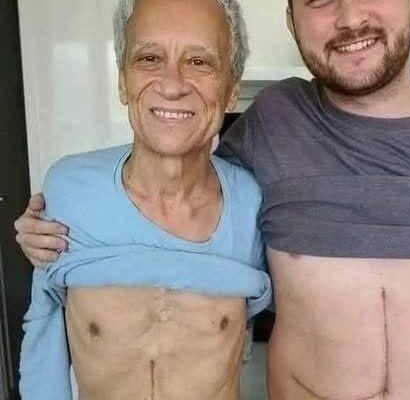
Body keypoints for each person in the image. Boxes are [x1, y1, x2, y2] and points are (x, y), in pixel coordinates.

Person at [16, 0, 410, 399]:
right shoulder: (274, 122)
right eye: (318, 0)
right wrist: (46, 224)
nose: (348, 16)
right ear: (291, 19)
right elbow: (178, 169)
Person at [16, 0, 271, 399]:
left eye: (199, 62)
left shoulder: (253, 204)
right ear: (123, 81)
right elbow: (43, 327)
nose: (172, 85)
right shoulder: (70, 191)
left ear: (231, 91)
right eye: (150, 58)